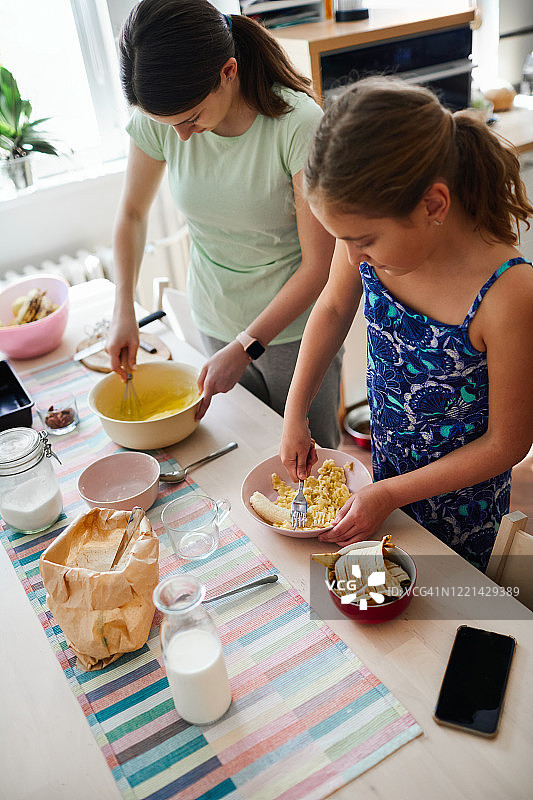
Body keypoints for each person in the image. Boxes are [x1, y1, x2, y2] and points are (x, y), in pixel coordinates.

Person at [280, 76, 533, 571]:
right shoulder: (365, 240)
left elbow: (508, 443)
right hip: (387, 480)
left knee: (448, 619)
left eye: (363, 241)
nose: (352, 256)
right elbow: (332, 308)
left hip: (463, 512)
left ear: (433, 205)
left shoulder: (509, 293)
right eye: (343, 240)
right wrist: (295, 410)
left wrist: (391, 492)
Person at [106, 0, 342, 448]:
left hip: (295, 333)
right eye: (168, 124)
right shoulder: (166, 114)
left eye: (191, 118)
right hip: (214, 320)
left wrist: (248, 345)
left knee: (310, 467)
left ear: (228, 71)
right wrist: (124, 312)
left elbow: (320, 266)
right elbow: (133, 214)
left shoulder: (298, 125)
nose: (180, 136)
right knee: (242, 455)